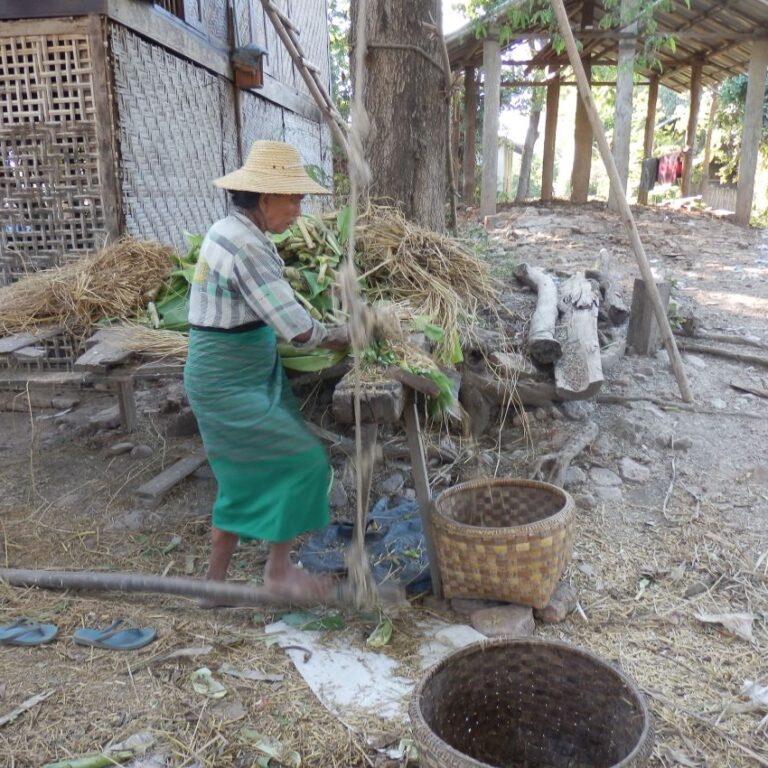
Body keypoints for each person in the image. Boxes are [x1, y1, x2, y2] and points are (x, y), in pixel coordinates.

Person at [183, 140, 348, 603]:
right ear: (264, 198)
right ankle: (277, 574)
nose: (298, 210)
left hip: (242, 370)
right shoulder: (245, 247)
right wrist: (354, 332)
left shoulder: (232, 231)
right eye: (292, 199)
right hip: (227, 378)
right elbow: (298, 330)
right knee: (303, 462)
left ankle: (215, 587)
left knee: (244, 474)